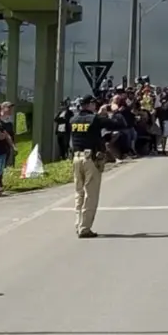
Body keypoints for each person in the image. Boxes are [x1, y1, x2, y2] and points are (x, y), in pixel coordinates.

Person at [70, 94, 107, 238]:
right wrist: (104, 113)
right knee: (91, 194)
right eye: (94, 103)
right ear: (90, 104)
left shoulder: (73, 119)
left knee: (79, 193)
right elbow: (115, 123)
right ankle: (85, 228)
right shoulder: (95, 119)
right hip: (90, 159)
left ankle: (78, 224)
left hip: (76, 157)